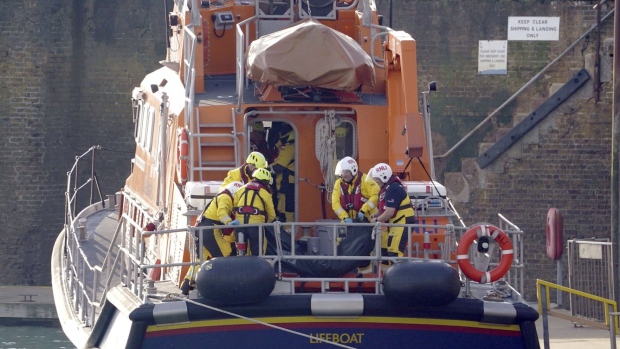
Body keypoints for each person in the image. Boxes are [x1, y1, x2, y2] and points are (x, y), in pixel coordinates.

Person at [180, 181, 243, 295]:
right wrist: (230, 223)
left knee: (201, 259)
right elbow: (222, 213)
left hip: (201, 229)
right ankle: (224, 285)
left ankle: (186, 285)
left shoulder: (220, 196)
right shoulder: (226, 197)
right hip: (210, 229)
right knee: (226, 252)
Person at [367, 163, 415, 266]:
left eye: (376, 179)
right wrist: (375, 215)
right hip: (394, 223)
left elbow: (389, 212)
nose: (375, 182)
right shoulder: (386, 189)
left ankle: (397, 279)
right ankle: (386, 277)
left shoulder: (393, 188)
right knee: (384, 249)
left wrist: (377, 220)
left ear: (383, 177)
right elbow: (383, 209)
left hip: (402, 222)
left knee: (395, 252)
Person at [233, 168, 276, 256]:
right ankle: (256, 269)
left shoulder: (240, 190)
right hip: (256, 226)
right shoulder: (265, 193)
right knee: (257, 253)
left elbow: (234, 208)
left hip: (239, 226)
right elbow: (272, 215)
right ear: (266, 181)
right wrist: (266, 223)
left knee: (241, 252)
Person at [332, 156, 379, 223]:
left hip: (369, 220)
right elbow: (335, 204)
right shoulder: (338, 183)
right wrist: (345, 217)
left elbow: (376, 196)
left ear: (353, 171)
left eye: (346, 172)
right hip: (348, 222)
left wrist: (363, 210)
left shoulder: (366, 180)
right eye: (342, 172)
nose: (344, 175)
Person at [269, 124, 295, 223]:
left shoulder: (289, 147)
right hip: (285, 184)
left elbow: (278, 167)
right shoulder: (290, 146)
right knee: (282, 208)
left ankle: (288, 232)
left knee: (286, 210)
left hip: (287, 184)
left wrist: (263, 170)